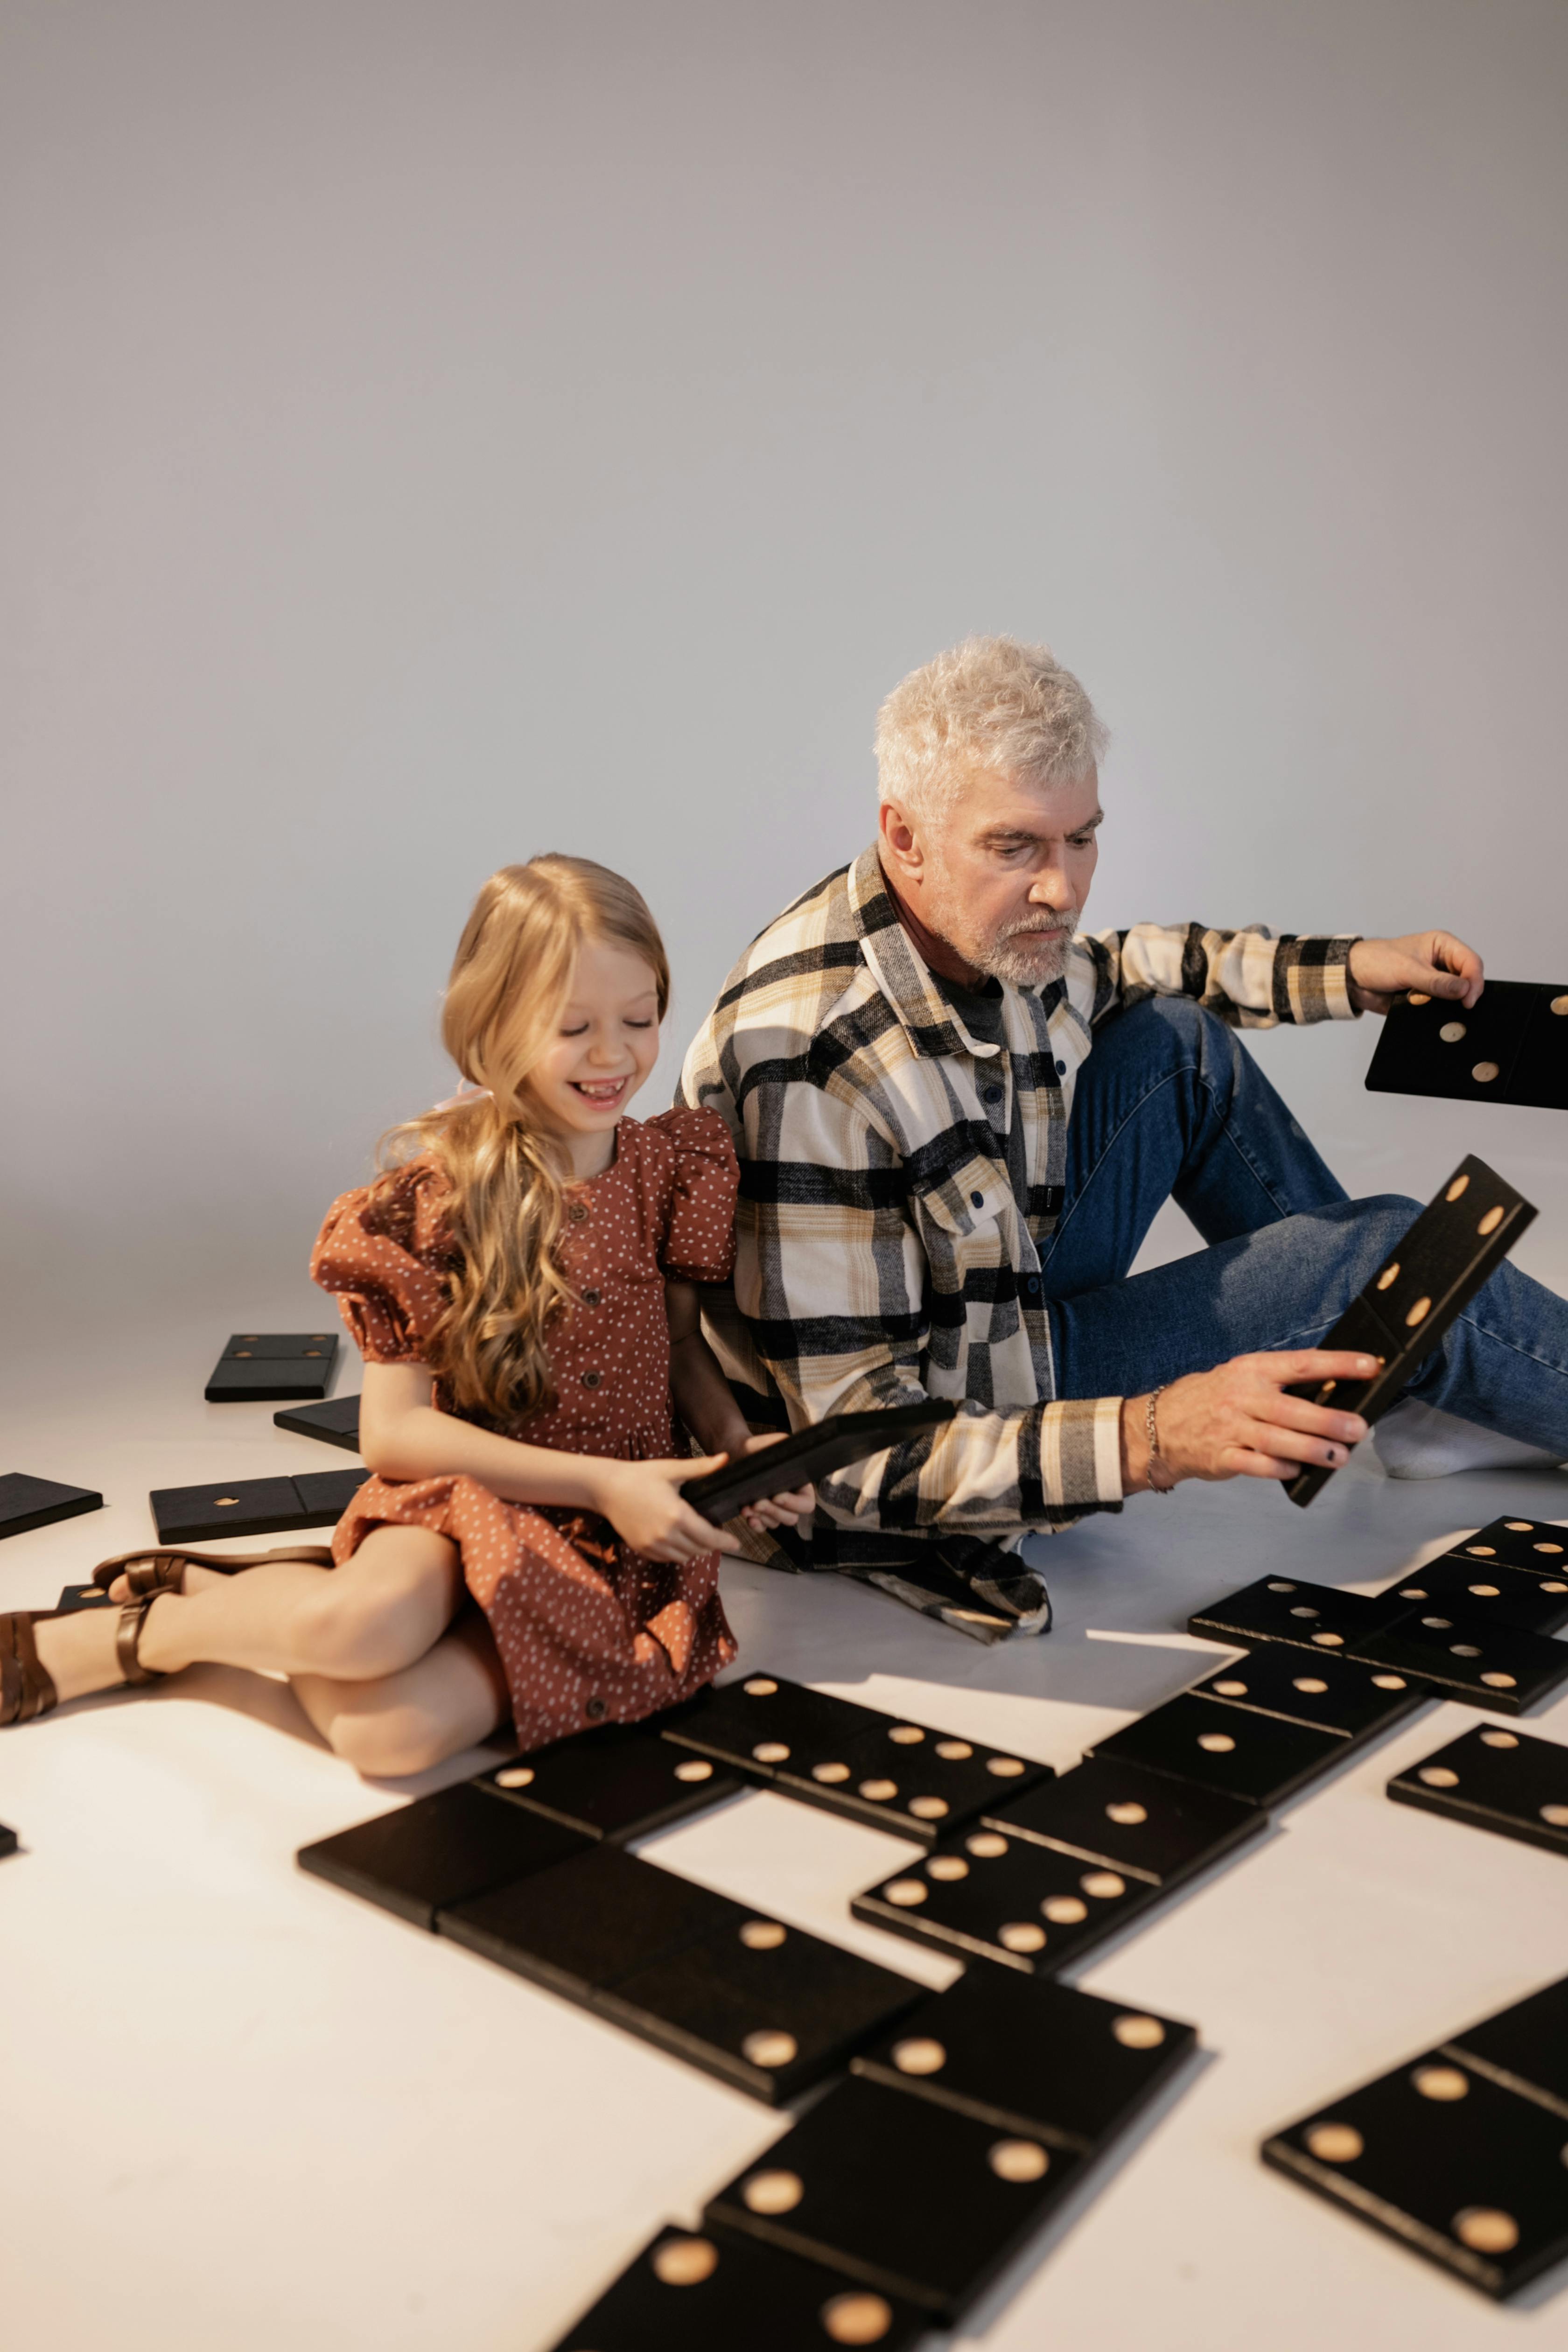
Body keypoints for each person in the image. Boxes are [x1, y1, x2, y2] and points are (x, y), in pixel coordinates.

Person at [679, 636, 1568, 1641]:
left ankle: (1394, 1391)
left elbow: (1132, 963)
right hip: (945, 1409)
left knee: (1178, 1042)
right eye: (1016, 848)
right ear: (907, 834)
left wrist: (1351, 970)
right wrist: (1154, 1437)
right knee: (1376, 1254)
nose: (1061, 888)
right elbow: (847, 1456)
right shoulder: (814, 1057)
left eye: (1082, 839)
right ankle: (1410, 1357)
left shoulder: (979, 926)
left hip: (988, 1292)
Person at [2, 858, 810, 1759]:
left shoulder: (672, 1169)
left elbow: (680, 1353)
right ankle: (131, 1639)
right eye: (572, 1027)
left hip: (611, 1537)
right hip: (465, 1493)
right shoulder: (438, 1199)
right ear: (492, 1025)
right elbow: (391, 1439)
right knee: (359, 1635)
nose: (613, 1056)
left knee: (386, 1736)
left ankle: (228, 1602)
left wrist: (738, 1453)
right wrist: (600, 1483)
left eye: (640, 1018)